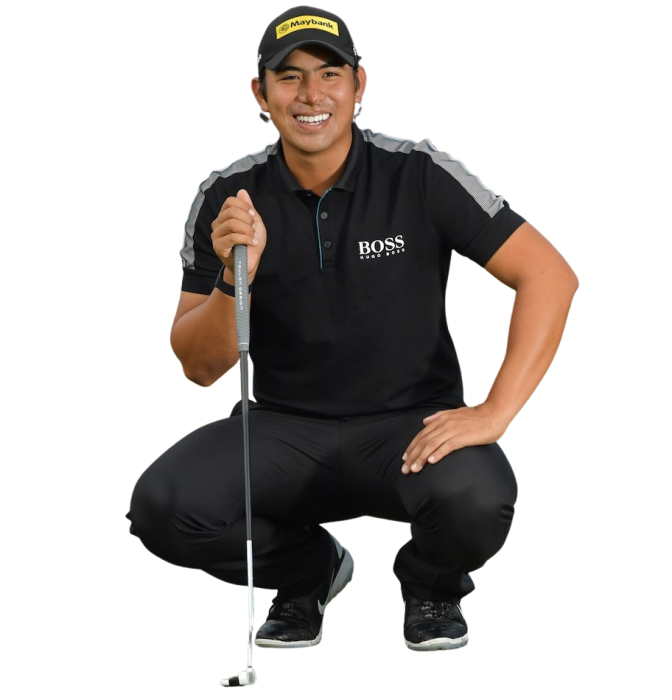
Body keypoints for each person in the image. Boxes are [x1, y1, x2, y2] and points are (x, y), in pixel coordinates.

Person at [128, 5, 579, 652]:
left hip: (409, 425)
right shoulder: (228, 195)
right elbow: (199, 368)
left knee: (477, 499)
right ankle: (309, 571)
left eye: (329, 73)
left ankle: (431, 585)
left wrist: (496, 411)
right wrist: (234, 277)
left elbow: (550, 275)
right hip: (282, 427)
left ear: (359, 84)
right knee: (163, 507)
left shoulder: (419, 172)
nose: (311, 95)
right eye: (289, 76)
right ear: (260, 94)